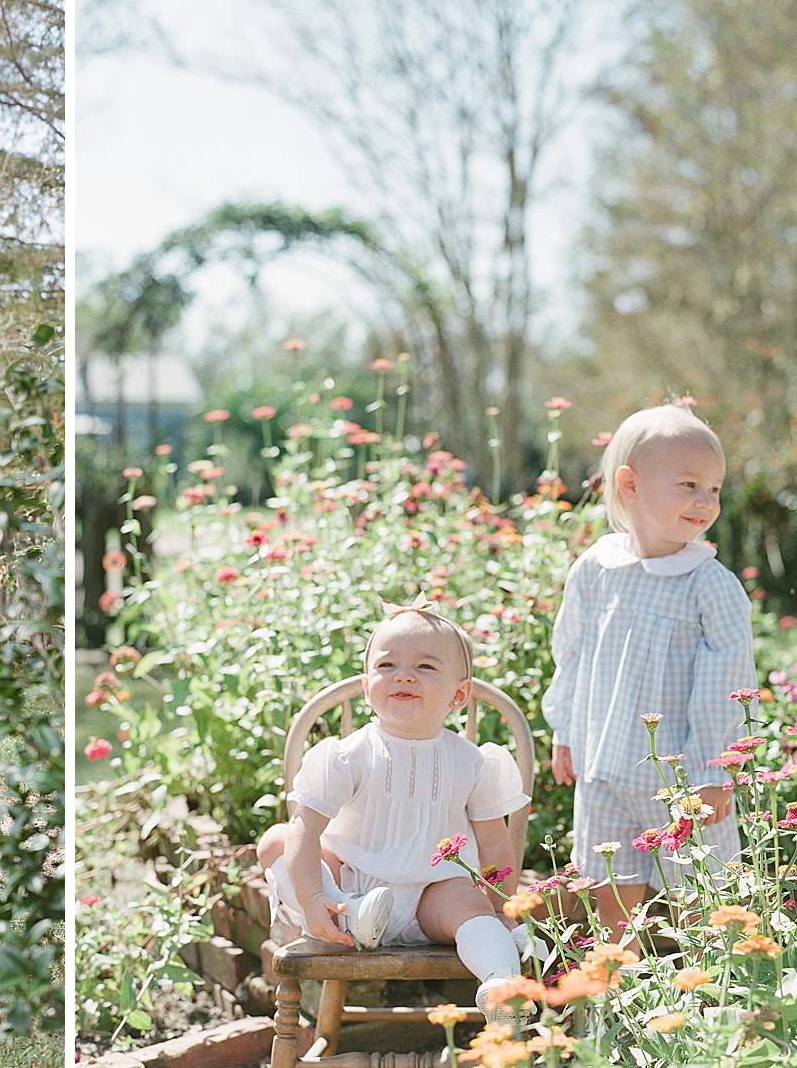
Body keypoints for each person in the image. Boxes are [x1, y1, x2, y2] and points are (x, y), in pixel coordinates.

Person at [256, 601, 533, 1028]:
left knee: (470, 903)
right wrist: (314, 900)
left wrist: (496, 907)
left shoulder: (473, 763)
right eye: (387, 665)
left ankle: (500, 981)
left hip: (431, 898)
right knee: (277, 840)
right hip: (346, 891)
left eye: (425, 666)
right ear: (367, 686)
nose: (404, 675)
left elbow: (495, 843)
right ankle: (352, 912)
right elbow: (307, 829)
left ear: (459, 695)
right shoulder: (349, 756)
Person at [542, 403, 754, 946]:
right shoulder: (596, 570)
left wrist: (715, 769)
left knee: (701, 892)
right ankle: (620, 985)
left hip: (682, 778)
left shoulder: (709, 584)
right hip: (603, 769)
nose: (706, 502)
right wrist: (565, 731)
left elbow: (727, 684)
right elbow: (571, 653)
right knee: (613, 888)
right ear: (630, 485)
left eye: (714, 489)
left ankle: (710, 985)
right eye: (689, 485)